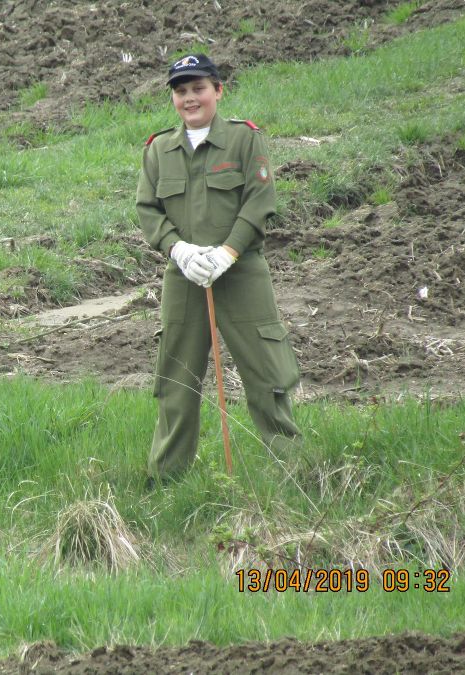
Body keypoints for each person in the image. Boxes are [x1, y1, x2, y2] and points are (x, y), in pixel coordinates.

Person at [136, 53, 302, 480]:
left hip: (241, 272)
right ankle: (164, 483)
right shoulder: (158, 150)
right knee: (176, 382)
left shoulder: (245, 140)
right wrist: (178, 251)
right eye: (181, 91)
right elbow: (149, 210)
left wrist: (228, 252)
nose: (190, 98)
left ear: (218, 91)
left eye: (199, 89)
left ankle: (294, 478)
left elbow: (259, 201)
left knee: (268, 377)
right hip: (185, 277)